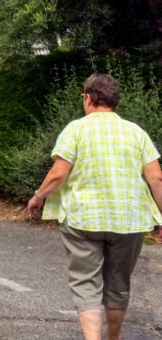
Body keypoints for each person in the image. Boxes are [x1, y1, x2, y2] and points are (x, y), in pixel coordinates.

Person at [27, 73, 162, 340]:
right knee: (118, 284)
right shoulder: (137, 132)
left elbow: (58, 174)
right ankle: (113, 337)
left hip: (83, 220)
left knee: (85, 282)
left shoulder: (76, 129)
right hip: (129, 221)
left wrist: (38, 196)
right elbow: (156, 177)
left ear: (88, 99)